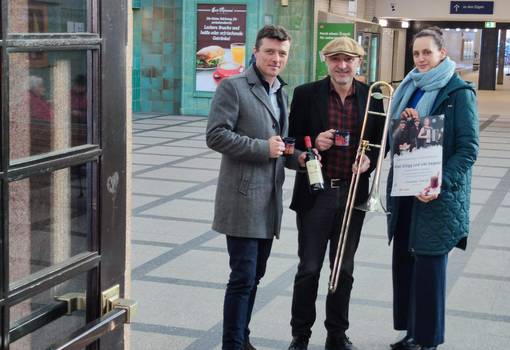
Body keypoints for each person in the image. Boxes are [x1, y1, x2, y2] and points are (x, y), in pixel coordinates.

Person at [206, 25, 306, 350]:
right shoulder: (234, 87)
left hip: (269, 202)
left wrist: (300, 158)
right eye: (270, 52)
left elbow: (281, 145)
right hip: (242, 198)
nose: (276, 58)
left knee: (255, 277)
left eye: (282, 53)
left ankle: (242, 338)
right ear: (255, 52)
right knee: (242, 277)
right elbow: (216, 135)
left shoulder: (281, 92)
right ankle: (232, 344)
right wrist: (262, 148)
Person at [286, 36, 384, 350]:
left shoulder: (373, 96)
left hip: (353, 195)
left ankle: (336, 335)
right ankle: (300, 336)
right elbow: (291, 144)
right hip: (317, 193)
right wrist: (313, 144)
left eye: (349, 59)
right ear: (325, 60)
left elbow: (383, 143)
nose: (342, 65)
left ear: (359, 62)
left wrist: (369, 160)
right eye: (335, 59)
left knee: (343, 269)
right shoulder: (305, 94)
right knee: (309, 269)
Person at [386, 27, 479, 350]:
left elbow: (468, 149)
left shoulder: (458, 93)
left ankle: (428, 341)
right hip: (407, 190)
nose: (421, 59)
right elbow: (402, 141)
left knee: (429, 269)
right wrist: (407, 125)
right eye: (416, 53)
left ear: (443, 54)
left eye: (427, 52)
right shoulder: (409, 88)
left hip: (438, 197)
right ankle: (412, 332)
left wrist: (441, 184)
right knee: (405, 264)